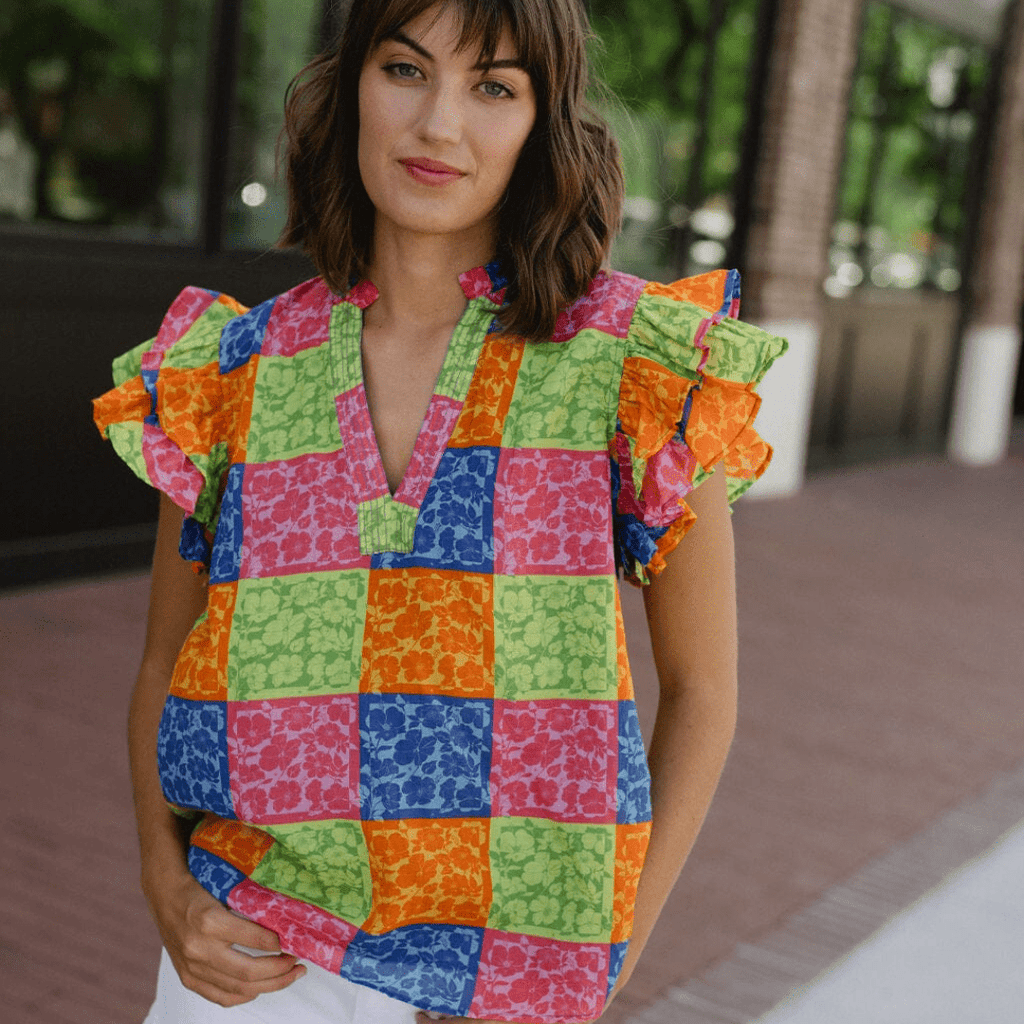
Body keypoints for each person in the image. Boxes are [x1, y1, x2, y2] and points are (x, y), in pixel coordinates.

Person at [91, 1, 787, 1022]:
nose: (438, 126)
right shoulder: (226, 373)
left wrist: (611, 951)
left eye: (493, 87)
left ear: (542, 125)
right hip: (255, 953)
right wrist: (164, 883)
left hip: (508, 980)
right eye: (406, 70)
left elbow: (702, 691)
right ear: (351, 91)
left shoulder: (637, 366)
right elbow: (165, 660)